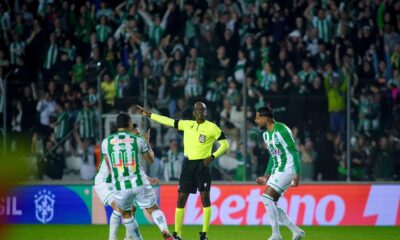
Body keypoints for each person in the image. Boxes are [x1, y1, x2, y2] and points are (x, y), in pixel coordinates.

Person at [136, 102, 230, 240]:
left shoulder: (212, 128)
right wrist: (149, 114)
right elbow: (168, 121)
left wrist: (212, 156)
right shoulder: (187, 124)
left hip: (202, 165)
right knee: (181, 200)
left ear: (206, 112)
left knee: (205, 199)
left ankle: (204, 234)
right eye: (197, 109)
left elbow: (225, 145)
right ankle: (177, 234)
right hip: (188, 165)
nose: (200, 111)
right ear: (193, 113)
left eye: (202, 110)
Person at [99, 112, 175, 240]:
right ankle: (164, 230)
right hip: (139, 182)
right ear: (129, 123)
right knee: (153, 208)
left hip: (121, 185)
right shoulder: (138, 140)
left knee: (126, 214)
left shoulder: (106, 143)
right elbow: (150, 160)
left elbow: (109, 164)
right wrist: (147, 142)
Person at [94, 123, 160, 240]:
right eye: (137, 132)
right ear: (130, 131)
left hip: (115, 180)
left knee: (132, 208)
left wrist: (149, 179)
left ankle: (128, 238)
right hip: (104, 182)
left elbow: (135, 169)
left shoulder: (130, 148)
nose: (138, 134)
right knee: (119, 208)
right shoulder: (117, 145)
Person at [254, 106, 305, 240]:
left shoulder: (282, 129)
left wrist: (297, 174)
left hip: (288, 169)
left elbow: (294, 151)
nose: (256, 120)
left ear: (266, 118)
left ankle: (276, 235)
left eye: (258, 117)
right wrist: (266, 175)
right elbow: (273, 155)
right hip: (277, 171)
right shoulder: (265, 134)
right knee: (271, 203)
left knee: (266, 198)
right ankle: (296, 231)